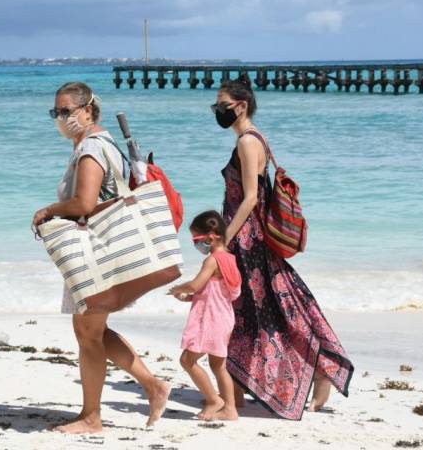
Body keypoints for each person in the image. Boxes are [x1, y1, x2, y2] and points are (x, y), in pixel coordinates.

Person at [32, 81, 172, 434]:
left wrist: (48, 210)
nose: (60, 118)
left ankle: (96, 415)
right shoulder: (100, 143)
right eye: (56, 112)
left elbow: (85, 204)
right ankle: (150, 387)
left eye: (66, 111)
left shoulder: (92, 148)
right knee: (89, 330)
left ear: (88, 111)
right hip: (101, 251)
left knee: (89, 331)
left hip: (96, 254)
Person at [213, 75, 354, 420]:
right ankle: (243, 383)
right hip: (253, 240)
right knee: (268, 308)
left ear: (241, 106)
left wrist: (225, 239)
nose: (217, 111)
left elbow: (248, 199)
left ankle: (322, 369)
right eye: (215, 106)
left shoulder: (248, 142)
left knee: (261, 311)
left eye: (222, 106)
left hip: (247, 241)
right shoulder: (253, 138)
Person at [169, 210, 241, 421]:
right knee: (219, 366)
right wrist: (191, 298)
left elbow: (195, 284)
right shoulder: (230, 259)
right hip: (224, 317)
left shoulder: (212, 260)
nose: (196, 243)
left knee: (187, 360)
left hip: (210, 320)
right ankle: (230, 409)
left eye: (197, 239)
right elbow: (220, 292)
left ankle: (213, 400)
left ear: (212, 235)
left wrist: (177, 288)